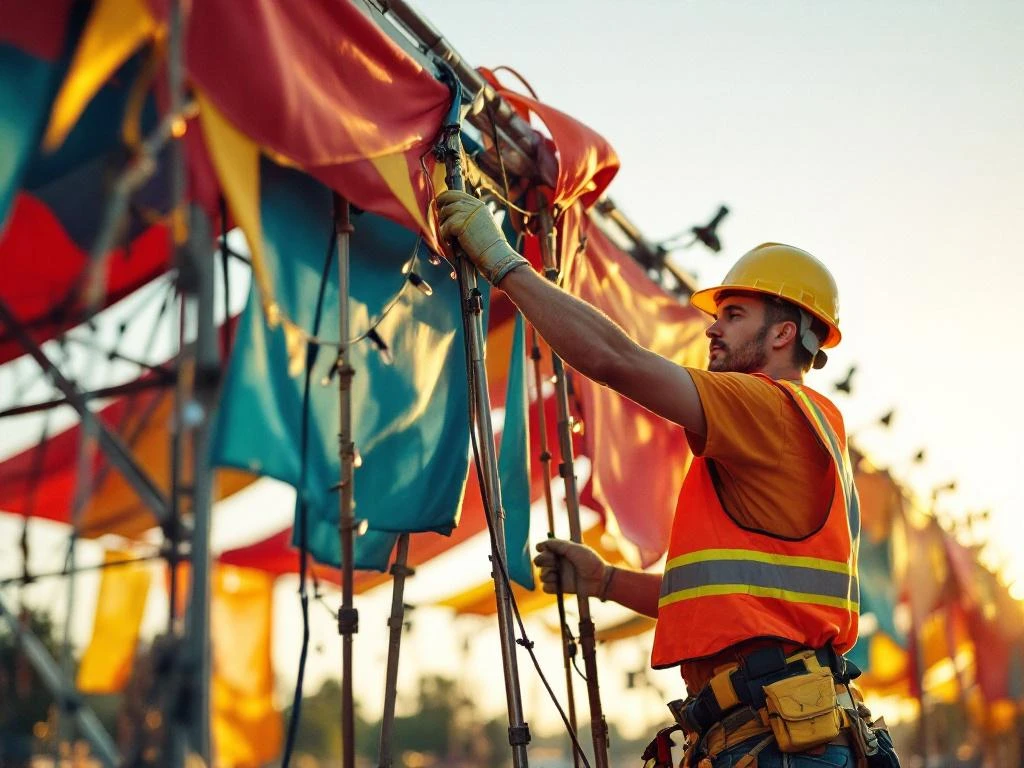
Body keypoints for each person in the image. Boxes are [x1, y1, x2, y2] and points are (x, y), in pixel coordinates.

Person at [437, 189, 900, 768]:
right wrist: (607, 580)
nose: (713, 330)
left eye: (734, 315)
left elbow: (615, 360)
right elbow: (731, 603)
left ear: (783, 334)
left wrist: (506, 265)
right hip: (784, 731)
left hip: (779, 741)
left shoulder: (769, 406)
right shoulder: (797, 429)